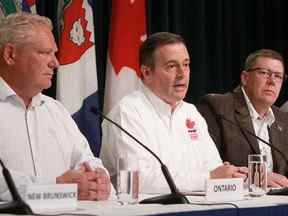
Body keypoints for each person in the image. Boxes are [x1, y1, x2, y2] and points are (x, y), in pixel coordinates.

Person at [100, 32, 247, 193]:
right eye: (171, 66)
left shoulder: (191, 113)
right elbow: (138, 180)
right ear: (146, 73)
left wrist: (234, 175)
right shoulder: (128, 112)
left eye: (186, 64)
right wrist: (208, 178)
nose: (182, 74)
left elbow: (213, 166)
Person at [0, 12, 111, 201]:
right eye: (44, 53)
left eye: (55, 53)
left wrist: (98, 179)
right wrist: (55, 188)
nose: (56, 63)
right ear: (10, 55)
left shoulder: (55, 110)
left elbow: (86, 159)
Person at [197, 49, 288, 187]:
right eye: (264, 73)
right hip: (236, 202)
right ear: (245, 78)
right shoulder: (217, 107)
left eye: (278, 76)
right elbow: (210, 167)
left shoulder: (282, 118)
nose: (272, 81)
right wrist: (256, 178)